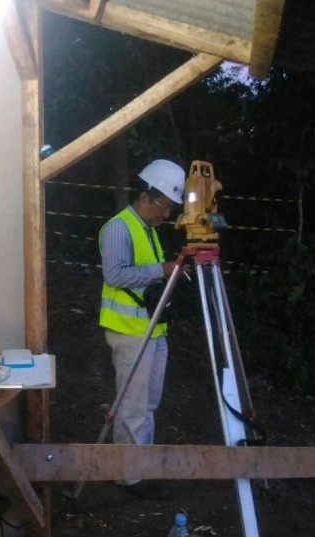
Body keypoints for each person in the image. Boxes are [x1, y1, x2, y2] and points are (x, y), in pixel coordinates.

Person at [98, 159, 186, 500]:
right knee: (133, 406)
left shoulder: (147, 229)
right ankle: (129, 476)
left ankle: (139, 465)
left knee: (147, 403)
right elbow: (116, 275)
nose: (166, 215)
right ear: (145, 197)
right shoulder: (119, 228)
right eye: (164, 206)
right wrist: (162, 270)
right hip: (130, 331)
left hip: (152, 330)